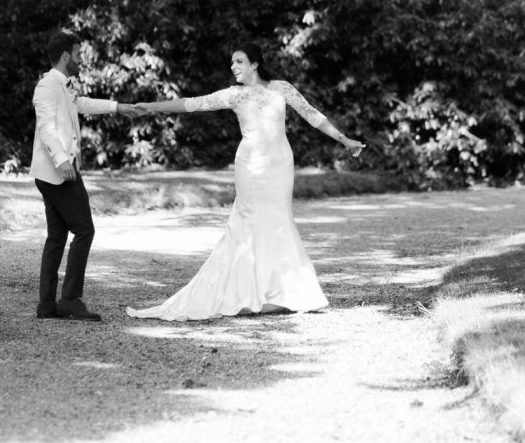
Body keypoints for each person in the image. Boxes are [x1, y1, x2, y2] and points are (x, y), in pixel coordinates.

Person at [126, 42, 365, 322]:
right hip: (250, 166)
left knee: (279, 221)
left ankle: (283, 293)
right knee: (248, 222)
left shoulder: (282, 88)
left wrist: (344, 139)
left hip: (279, 165)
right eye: (232, 63)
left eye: (239, 61)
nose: (233, 67)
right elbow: (191, 104)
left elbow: (313, 115)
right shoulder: (234, 95)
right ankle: (247, 292)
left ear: (255, 63)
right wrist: (151, 108)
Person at [30, 29, 139, 321]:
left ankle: (47, 305)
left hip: (53, 172)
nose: (81, 59)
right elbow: (46, 127)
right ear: (66, 56)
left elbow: (81, 104)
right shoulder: (47, 87)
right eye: (78, 54)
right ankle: (69, 300)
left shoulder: (62, 85)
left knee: (57, 235)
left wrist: (118, 107)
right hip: (59, 171)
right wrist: (62, 159)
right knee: (84, 229)